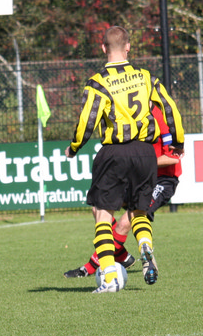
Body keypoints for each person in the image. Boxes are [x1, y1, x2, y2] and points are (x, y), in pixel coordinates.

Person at [66, 26, 184, 294]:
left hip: (115, 153)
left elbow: (87, 121)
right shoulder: (146, 77)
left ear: (103, 48)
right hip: (145, 152)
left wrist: (74, 147)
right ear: (129, 47)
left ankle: (109, 277)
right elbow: (170, 109)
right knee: (138, 211)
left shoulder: (98, 82)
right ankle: (145, 245)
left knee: (102, 213)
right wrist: (178, 142)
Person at [64, 105, 182, 280]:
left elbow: (174, 157)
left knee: (127, 221)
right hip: (137, 174)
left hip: (162, 180)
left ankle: (91, 267)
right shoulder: (130, 110)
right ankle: (122, 256)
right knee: (98, 209)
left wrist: (143, 161)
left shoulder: (161, 117)